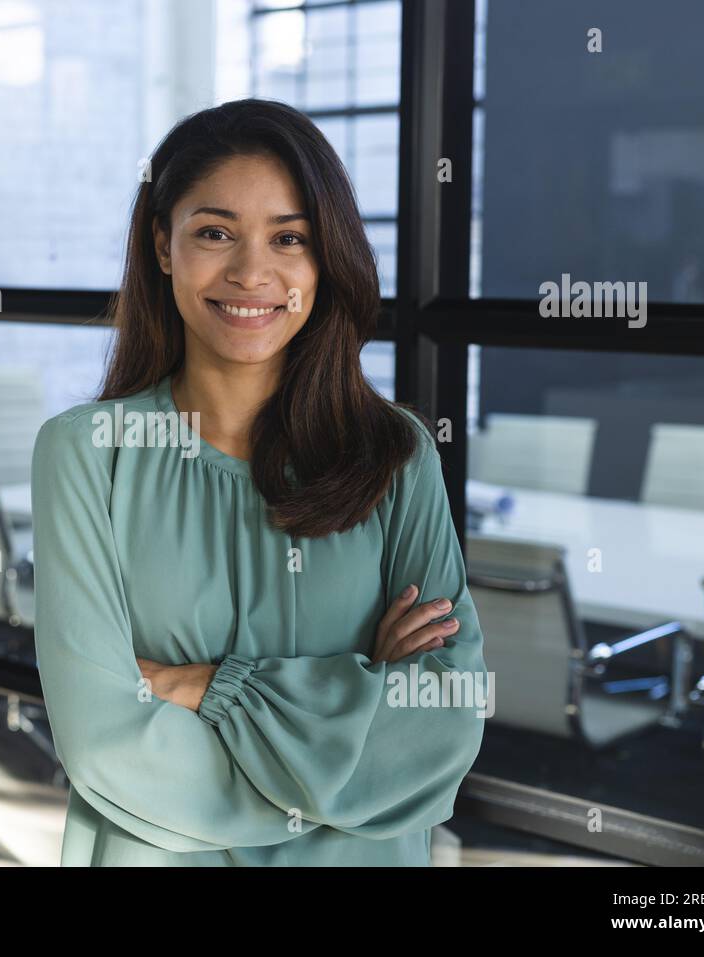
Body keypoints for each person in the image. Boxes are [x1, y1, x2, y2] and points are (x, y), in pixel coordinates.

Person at [30, 98, 488, 865]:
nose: (252, 272)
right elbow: (104, 739)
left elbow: (441, 722)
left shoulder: (396, 454)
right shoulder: (87, 453)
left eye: (290, 238)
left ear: (324, 256)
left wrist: (211, 687)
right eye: (215, 232)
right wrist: (352, 709)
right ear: (164, 246)